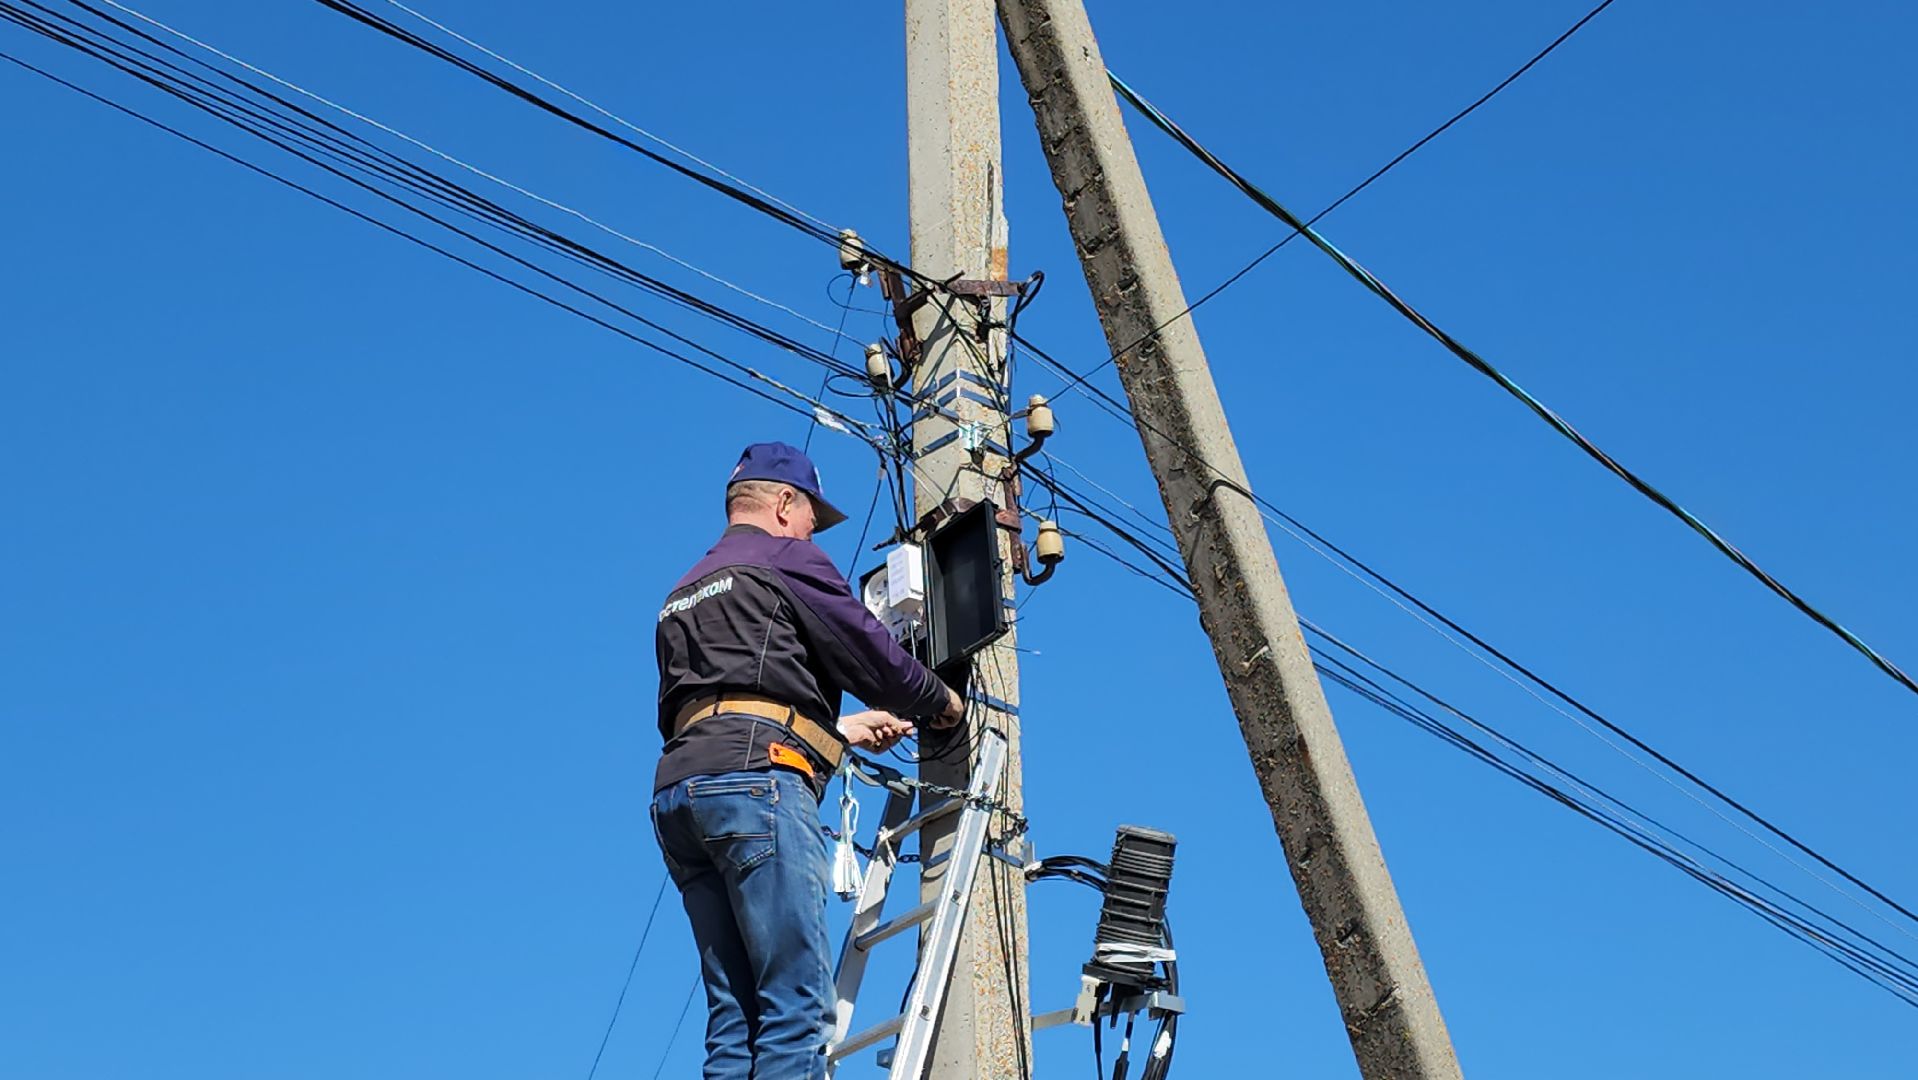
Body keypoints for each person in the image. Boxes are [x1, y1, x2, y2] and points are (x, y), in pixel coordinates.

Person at [651, 441, 964, 1080]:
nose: (811, 534)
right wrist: (941, 701)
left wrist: (836, 732)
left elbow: (731, 697)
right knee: (795, 1005)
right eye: (810, 520)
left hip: (682, 797)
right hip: (755, 787)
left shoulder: (685, 588)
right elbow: (873, 655)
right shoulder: (785, 557)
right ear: (784, 502)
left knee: (735, 1019)